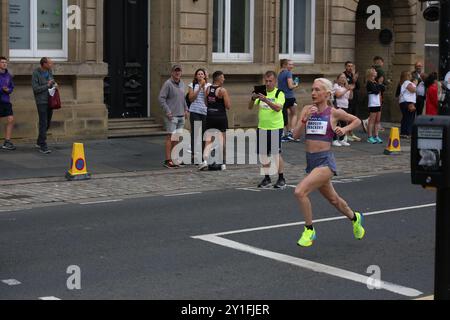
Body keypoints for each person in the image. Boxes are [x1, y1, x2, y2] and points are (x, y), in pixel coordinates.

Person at [292, 78, 364, 247]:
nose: (313, 93)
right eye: (312, 89)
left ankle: (309, 230)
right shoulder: (306, 110)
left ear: (327, 94)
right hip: (312, 163)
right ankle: (355, 217)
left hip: (325, 162)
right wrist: (304, 120)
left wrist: (344, 129)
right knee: (334, 200)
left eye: (317, 90)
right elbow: (295, 135)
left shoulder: (333, 113)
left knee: (299, 192)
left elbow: (357, 121)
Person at [249, 71, 287, 189]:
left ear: (275, 81)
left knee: (276, 153)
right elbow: (250, 107)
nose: (268, 83)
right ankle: (267, 178)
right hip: (262, 127)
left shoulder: (279, 93)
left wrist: (266, 100)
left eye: (270, 81)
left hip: (275, 127)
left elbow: (277, 108)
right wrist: (252, 98)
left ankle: (281, 178)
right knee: (264, 154)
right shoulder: (261, 93)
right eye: (266, 81)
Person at [199, 71, 231, 171]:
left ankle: (204, 161)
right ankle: (223, 163)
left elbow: (205, 103)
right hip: (220, 117)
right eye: (223, 77)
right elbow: (228, 106)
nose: (224, 79)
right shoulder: (222, 90)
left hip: (210, 116)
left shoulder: (208, 89)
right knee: (222, 141)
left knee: (209, 141)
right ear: (219, 78)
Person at [159, 64, 189, 168]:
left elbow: (183, 98)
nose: (177, 73)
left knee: (176, 138)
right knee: (170, 137)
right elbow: (161, 99)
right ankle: (167, 160)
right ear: (172, 72)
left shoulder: (182, 84)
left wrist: (186, 109)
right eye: (175, 71)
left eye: (179, 71)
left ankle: (174, 158)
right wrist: (168, 111)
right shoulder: (168, 84)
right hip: (171, 116)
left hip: (181, 115)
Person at [32, 57, 56, 154]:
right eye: (50, 63)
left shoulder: (49, 71)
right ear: (44, 64)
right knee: (43, 122)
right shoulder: (36, 73)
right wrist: (47, 85)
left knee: (48, 122)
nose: (51, 65)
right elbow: (35, 89)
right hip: (41, 101)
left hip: (50, 99)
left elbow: (52, 81)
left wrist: (54, 84)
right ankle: (43, 145)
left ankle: (39, 141)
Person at [188, 68, 210, 164]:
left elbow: (207, 98)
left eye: (202, 74)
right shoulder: (192, 85)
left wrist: (204, 87)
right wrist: (199, 88)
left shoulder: (209, 85)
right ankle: (193, 154)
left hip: (204, 112)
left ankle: (202, 155)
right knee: (195, 134)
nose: (200, 75)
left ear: (205, 76)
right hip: (194, 111)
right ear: (196, 76)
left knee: (203, 134)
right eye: (199, 74)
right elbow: (191, 99)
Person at [278, 59, 299, 142]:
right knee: (294, 114)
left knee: (285, 114)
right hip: (289, 97)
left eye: (292, 64)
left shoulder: (280, 73)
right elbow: (290, 86)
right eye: (289, 64)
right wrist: (296, 85)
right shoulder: (288, 73)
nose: (291, 66)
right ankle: (291, 132)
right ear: (284, 65)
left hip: (282, 97)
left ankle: (284, 133)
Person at [332, 73, 354, 147]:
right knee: (337, 123)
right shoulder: (336, 86)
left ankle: (341, 139)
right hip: (338, 106)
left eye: (344, 77)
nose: (343, 79)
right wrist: (347, 89)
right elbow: (338, 95)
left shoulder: (345, 87)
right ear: (338, 79)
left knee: (344, 123)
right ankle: (334, 139)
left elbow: (350, 97)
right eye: (341, 77)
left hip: (345, 106)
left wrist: (350, 90)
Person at [0, 57, 16, 151]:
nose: (4, 64)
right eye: (2, 62)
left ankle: (7, 141)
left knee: (10, 119)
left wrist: (8, 90)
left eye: (5, 62)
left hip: (6, 100)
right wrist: (2, 89)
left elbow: (11, 87)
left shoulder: (8, 75)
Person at [343, 61, 361, 142]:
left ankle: (351, 132)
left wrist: (354, 77)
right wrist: (350, 86)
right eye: (348, 66)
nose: (350, 68)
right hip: (347, 99)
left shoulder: (353, 75)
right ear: (345, 67)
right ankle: (346, 133)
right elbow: (347, 86)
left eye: (351, 66)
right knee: (347, 116)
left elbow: (358, 86)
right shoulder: (343, 75)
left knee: (353, 116)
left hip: (355, 98)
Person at [366, 68, 385, 144]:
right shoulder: (369, 82)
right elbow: (376, 91)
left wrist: (379, 85)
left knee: (377, 120)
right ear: (370, 73)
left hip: (378, 103)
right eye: (374, 71)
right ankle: (370, 136)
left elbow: (383, 88)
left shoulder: (375, 82)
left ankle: (376, 135)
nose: (376, 72)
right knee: (372, 120)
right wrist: (379, 85)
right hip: (373, 103)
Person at [398, 71, 417, 139]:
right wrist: (415, 84)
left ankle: (404, 133)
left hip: (404, 102)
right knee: (409, 118)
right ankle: (408, 132)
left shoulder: (403, 83)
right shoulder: (407, 82)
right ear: (407, 76)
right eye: (410, 75)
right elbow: (413, 90)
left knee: (406, 117)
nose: (411, 76)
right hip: (408, 102)